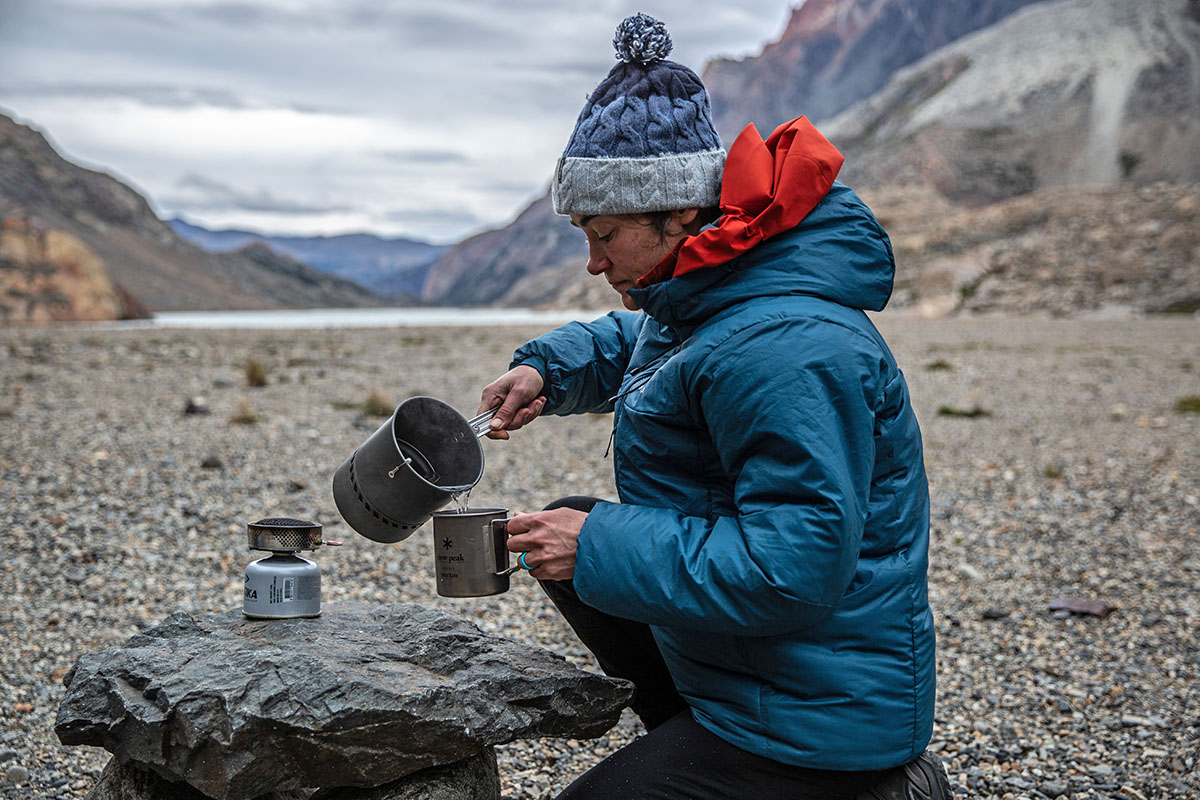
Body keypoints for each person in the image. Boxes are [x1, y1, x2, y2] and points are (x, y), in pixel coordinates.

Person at [477, 14, 953, 800]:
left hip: (822, 711)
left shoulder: (786, 348)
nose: (593, 262)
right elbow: (656, 349)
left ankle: (874, 791)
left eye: (606, 235)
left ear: (682, 215)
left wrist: (599, 546)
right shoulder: (715, 290)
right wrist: (547, 372)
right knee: (566, 525)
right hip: (763, 669)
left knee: (585, 546)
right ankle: (688, 734)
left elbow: (794, 571)